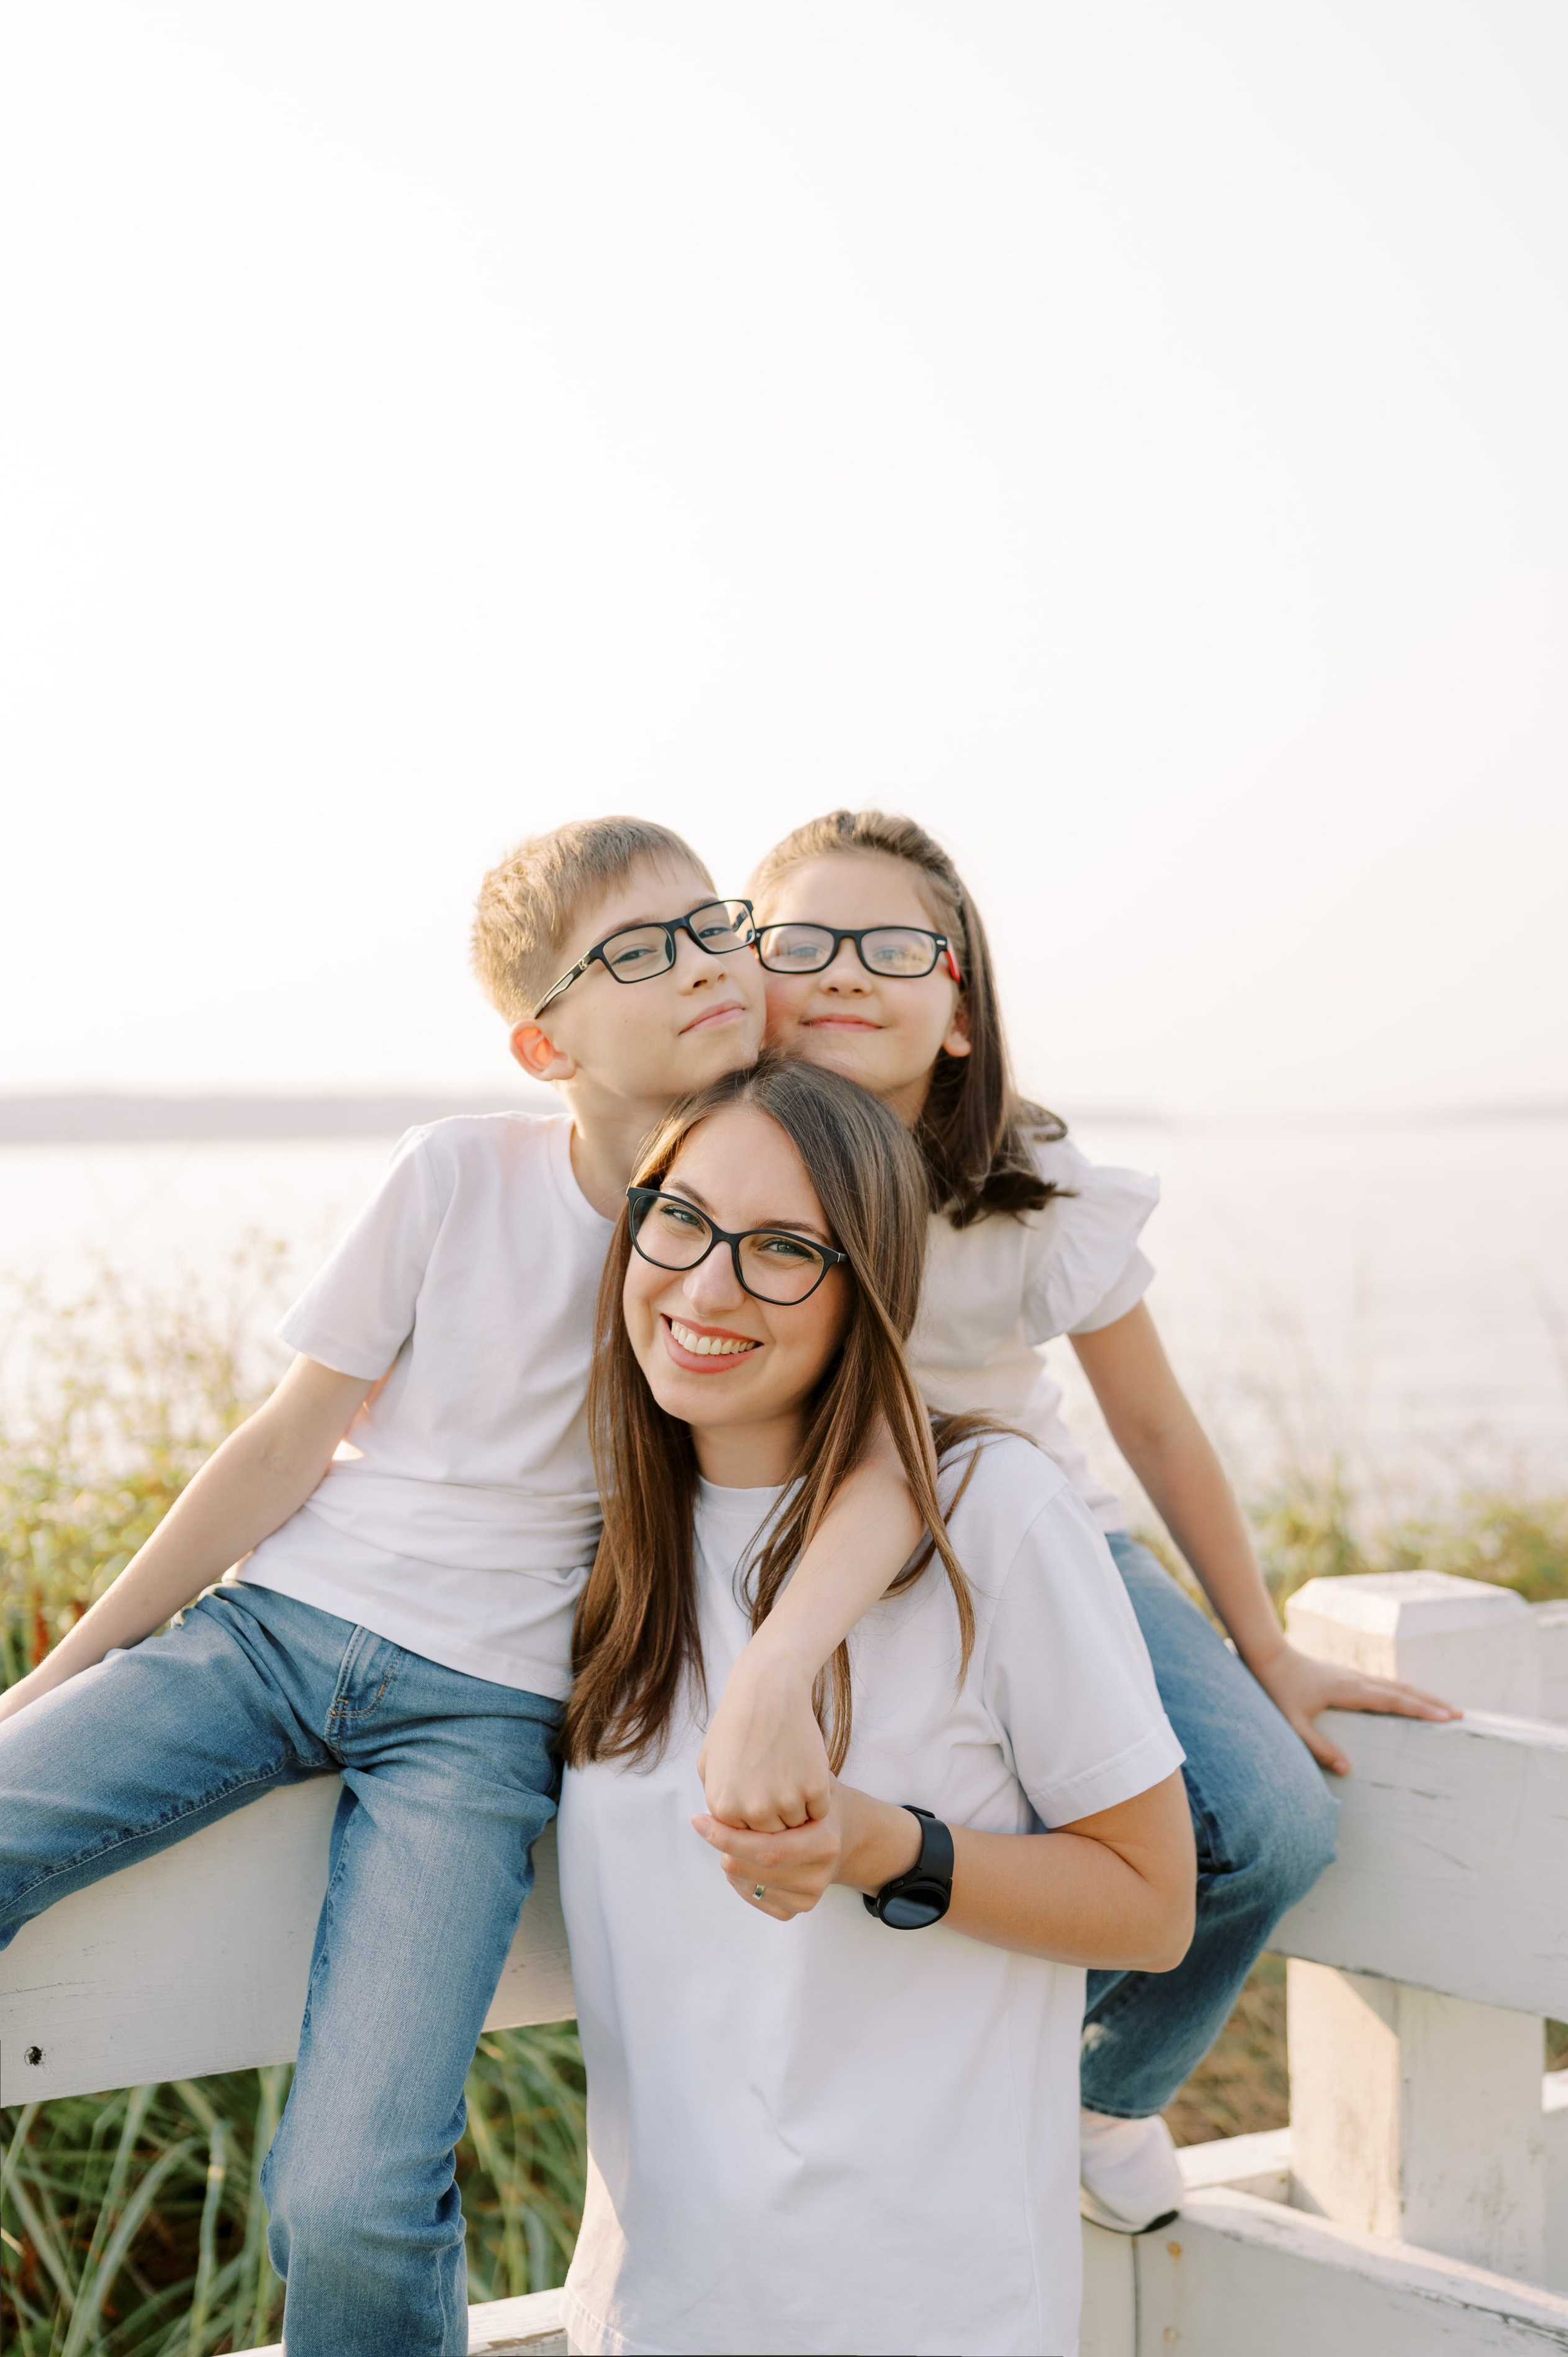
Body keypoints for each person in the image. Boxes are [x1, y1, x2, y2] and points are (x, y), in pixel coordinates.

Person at [0, 817, 919, 2357]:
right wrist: (62, 1675)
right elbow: (286, 1438)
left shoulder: (764, 1216)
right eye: (635, 953)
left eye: (709, 928)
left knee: (353, 2197)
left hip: (482, 1722)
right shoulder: (454, 1172)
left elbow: (886, 1454)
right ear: (540, 1039)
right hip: (271, 1636)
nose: (698, 965)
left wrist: (773, 1678)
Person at [697, 807, 1458, 2235]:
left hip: (1037, 1534)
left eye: (894, 946)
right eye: (802, 942)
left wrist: (1263, 1649)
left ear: (961, 1010)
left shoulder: (1034, 1194)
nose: (847, 971)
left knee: (1270, 1825)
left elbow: (1154, 1426)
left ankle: (1088, 2100)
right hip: (797, 1555)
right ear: (749, 981)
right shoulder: (717, 1163)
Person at [557, 1054, 1194, 2357]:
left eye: (786, 1248)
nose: (706, 1285)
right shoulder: (596, 1537)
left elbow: (1152, 1901)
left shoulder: (990, 1516)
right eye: (678, 1218)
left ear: (870, 1290)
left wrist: (877, 1846)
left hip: (928, 2306)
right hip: (653, 2310)